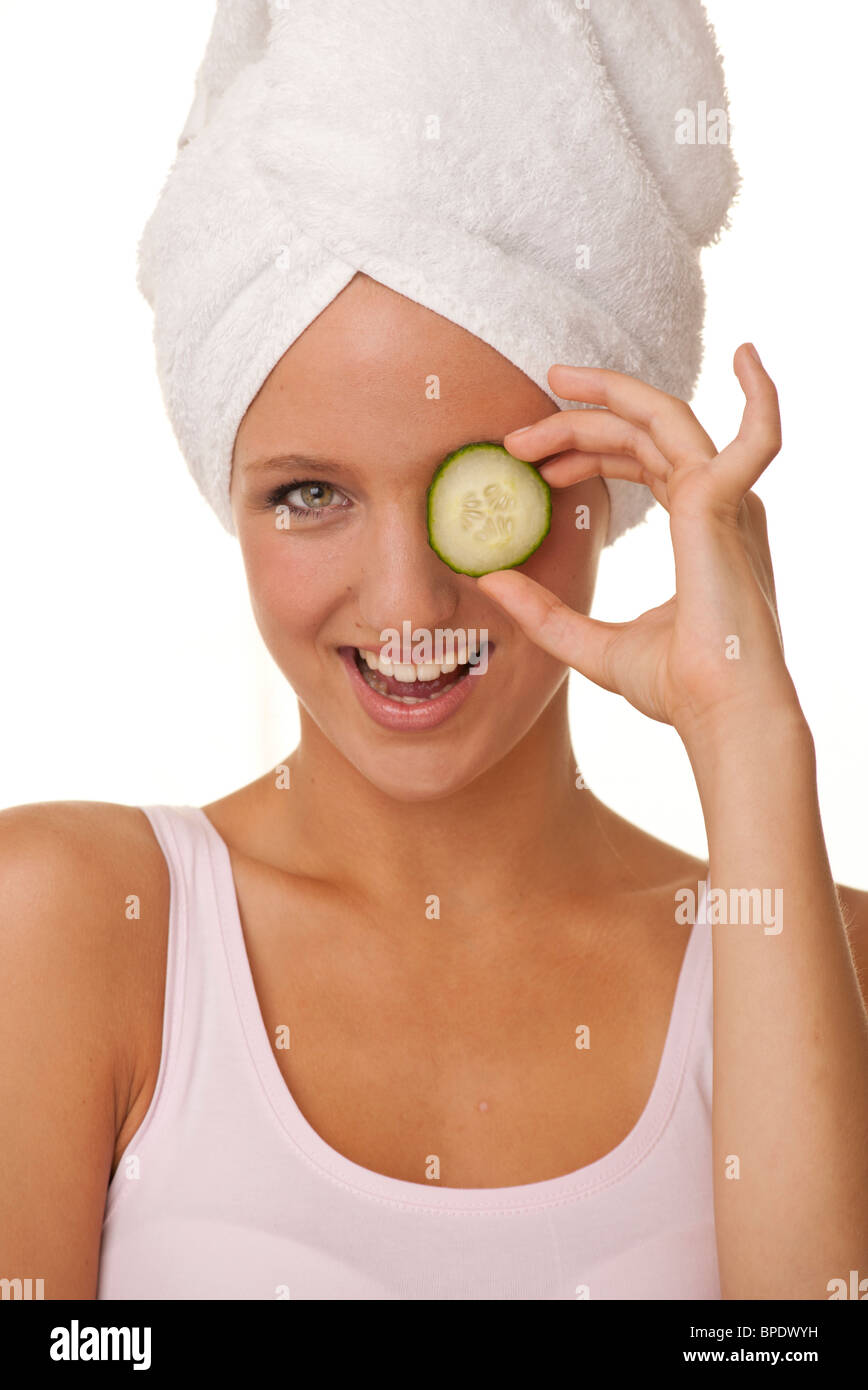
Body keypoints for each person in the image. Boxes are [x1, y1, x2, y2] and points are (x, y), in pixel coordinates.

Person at [2, 2, 867, 1301]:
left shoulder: (818, 953)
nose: (409, 597)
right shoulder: (64, 920)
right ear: (227, 492)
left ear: (609, 485)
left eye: (477, 492)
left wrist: (750, 734)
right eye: (309, 492)